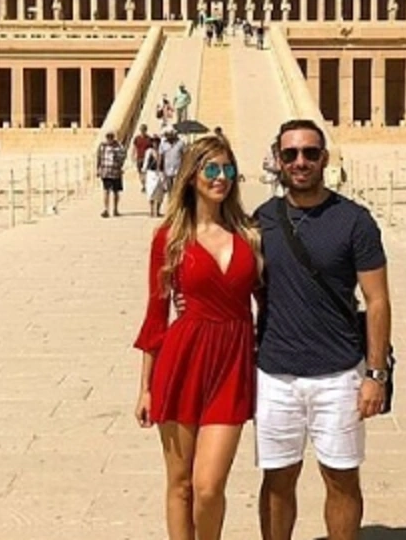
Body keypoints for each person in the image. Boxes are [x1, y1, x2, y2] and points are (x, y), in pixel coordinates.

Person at [253, 119, 392, 540]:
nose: (300, 162)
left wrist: (376, 374)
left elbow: (378, 300)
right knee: (277, 479)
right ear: (278, 160)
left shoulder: (354, 220)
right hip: (276, 373)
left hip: (338, 374)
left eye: (310, 153)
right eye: (291, 154)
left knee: (342, 478)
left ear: (324, 159)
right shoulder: (262, 220)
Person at [133, 135, 261, 540]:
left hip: (232, 364)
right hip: (182, 360)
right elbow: (156, 314)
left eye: (228, 169)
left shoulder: (250, 234)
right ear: (191, 176)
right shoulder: (169, 237)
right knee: (181, 484)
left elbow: (270, 302)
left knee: (209, 487)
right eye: (211, 169)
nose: (221, 177)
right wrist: (145, 388)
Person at [96, 131, 127, 218]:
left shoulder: (119, 147)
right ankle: (106, 209)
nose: (109, 139)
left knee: (116, 192)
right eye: (108, 137)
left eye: (111, 137)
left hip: (115, 172)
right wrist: (98, 169)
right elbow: (99, 157)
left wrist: (119, 164)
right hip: (106, 171)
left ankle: (115, 209)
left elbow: (123, 157)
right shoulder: (102, 146)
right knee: (106, 191)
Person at [142, 135, 166, 217]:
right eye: (154, 142)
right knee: (151, 192)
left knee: (160, 193)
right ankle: (152, 211)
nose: (155, 143)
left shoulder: (162, 152)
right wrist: (144, 173)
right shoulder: (149, 151)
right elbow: (146, 162)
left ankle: (157, 211)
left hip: (161, 173)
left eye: (156, 142)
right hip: (151, 173)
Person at [159, 129, 185, 198]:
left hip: (178, 169)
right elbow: (161, 156)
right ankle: (170, 198)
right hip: (167, 169)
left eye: (170, 135)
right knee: (169, 187)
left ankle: (176, 198)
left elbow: (184, 155)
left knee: (177, 186)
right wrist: (160, 167)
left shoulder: (180, 143)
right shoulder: (163, 144)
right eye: (167, 136)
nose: (168, 137)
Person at [132, 123, 153, 192]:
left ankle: (145, 186)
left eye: (144, 130)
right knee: (140, 173)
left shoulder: (149, 139)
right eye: (142, 130)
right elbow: (134, 147)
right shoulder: (137, 138)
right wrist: (133, 155)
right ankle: (143, 184)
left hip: (146, 158)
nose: (143, 131)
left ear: (146, 130)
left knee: (146, 172)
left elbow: (152, 148)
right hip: (139, 158)